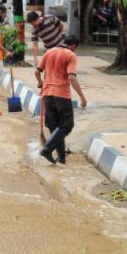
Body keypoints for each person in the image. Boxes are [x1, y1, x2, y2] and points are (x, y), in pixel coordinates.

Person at [35, 36, 87, 165]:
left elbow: (37, 71)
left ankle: (61, 158)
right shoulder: (70, 55)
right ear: (73, 46)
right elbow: (71, 77)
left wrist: (41, 82)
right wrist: (82, 96)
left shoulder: (49, 52)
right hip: (61, 95)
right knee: (66, 126)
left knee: (55, 127)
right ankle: (47, 150)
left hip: (47, 94)